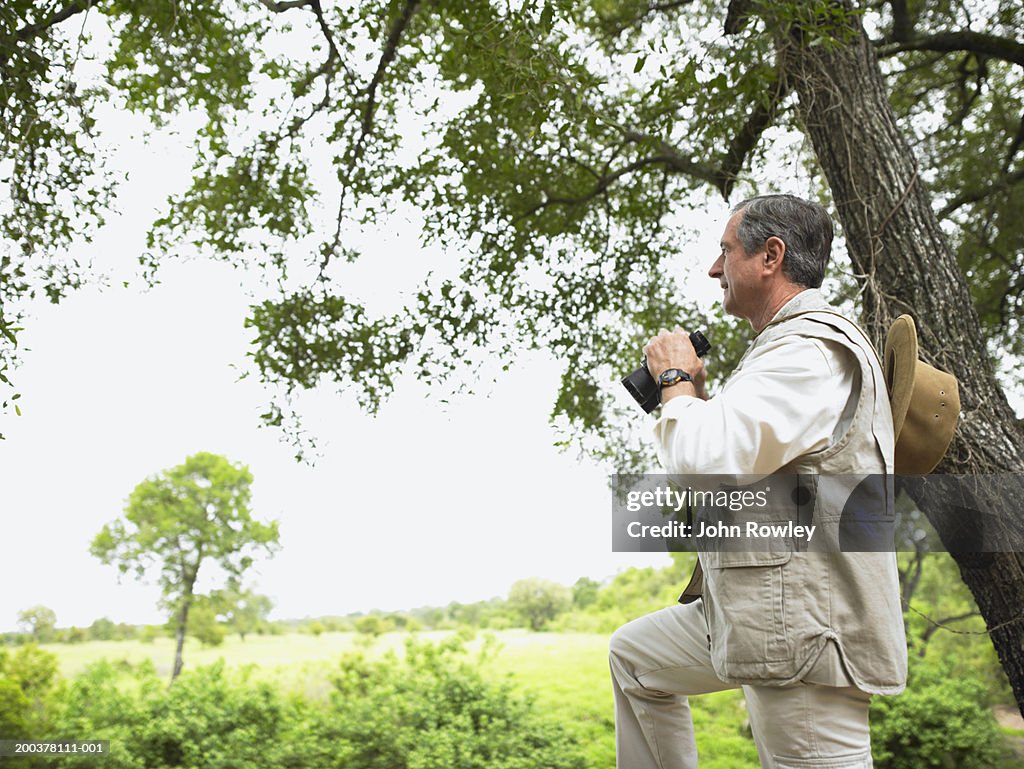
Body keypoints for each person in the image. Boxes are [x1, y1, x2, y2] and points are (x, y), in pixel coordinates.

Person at [609, 194, 907, 768]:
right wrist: (692, 395)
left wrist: (673, 378)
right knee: (635, 658)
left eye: (725, 251)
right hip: (759, 612)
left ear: (771, 256)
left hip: (805, 629)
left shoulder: (808, 351)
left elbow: (706, 463)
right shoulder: (782, 351)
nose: (714, 269)